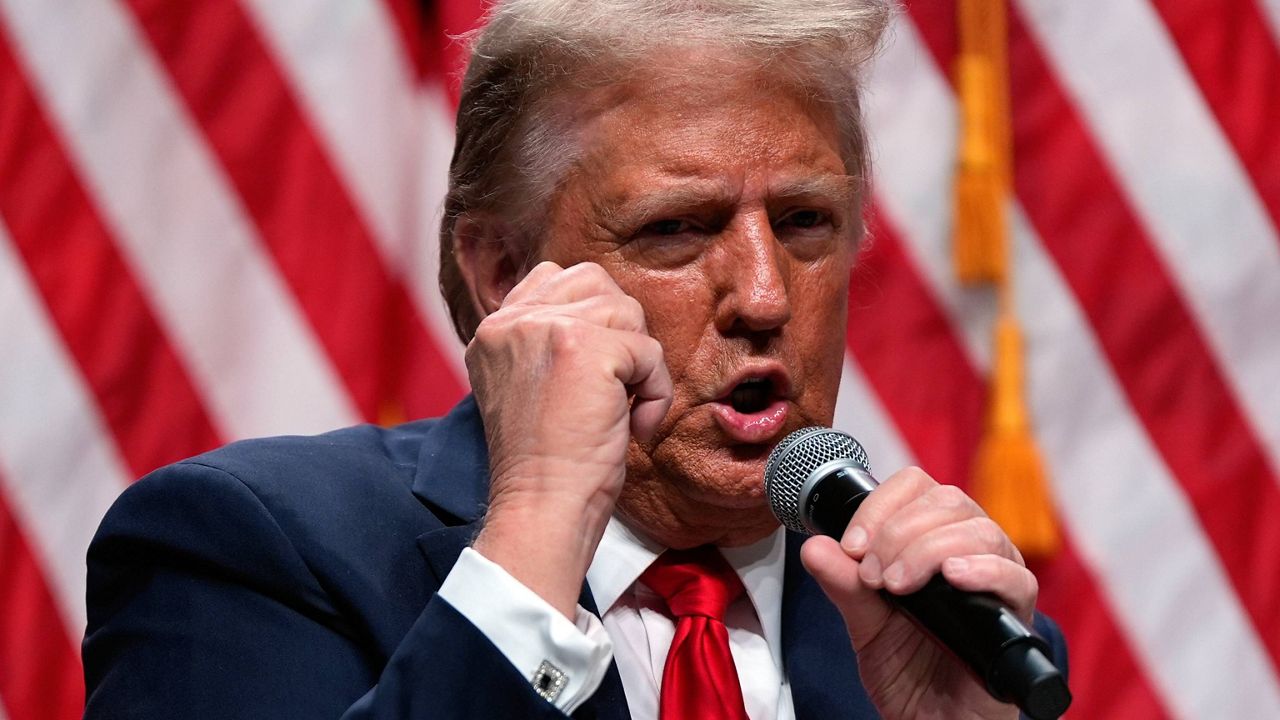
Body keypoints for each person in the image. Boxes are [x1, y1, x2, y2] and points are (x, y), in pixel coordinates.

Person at [83, 1, 1065, 718]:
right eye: (677, 227)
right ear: (505, 274)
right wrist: (541, 516)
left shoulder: (944, 636)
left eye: (806, 221)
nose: (765, 296)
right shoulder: (249, 549)